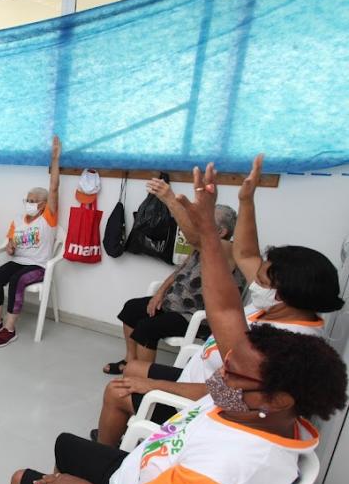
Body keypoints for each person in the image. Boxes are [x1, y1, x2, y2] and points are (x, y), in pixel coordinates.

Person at [0, 164, 348, 484]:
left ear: (275, 397)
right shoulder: (259, 408)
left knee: (21, 483)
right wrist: (211, 229)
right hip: (141, 482)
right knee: (68, 446)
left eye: (234, 374)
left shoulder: (234, 463)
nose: (222, 376)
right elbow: (227, 311)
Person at [94, 154, 344, 445]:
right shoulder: (288, 309)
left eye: (261, 278)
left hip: (204, 406)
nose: (256, 280)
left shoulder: (283, 347)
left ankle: (110, 451)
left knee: (118, 389)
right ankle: (124, 427)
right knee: (132, 367)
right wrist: (247, 200)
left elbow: (224, 397)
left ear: (283, 293)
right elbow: (247, 254)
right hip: (198, 378)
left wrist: (154, 385)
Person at [103, 182, 244, 374]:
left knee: (147, 327)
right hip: (172, 305)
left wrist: (170, 199)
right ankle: (130, 361)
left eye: (206, 222)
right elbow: (180, 270)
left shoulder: (229, 250)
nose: (199, 225)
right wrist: (160, 293)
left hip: (195, 316)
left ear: (221, 232)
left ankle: (144, 377)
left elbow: (194, 237)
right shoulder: (201, 247)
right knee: (132, 308)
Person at [0, 135, 61, 347]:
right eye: (27, 200)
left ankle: (9, 328)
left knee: (17, 280)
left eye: (33, 201)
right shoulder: (17, 220)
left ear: (44, 205)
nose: (29, 203)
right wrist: (10, 246)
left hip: (39, 265)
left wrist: (55, 159)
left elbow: (54, 188)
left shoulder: (48, 218)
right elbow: (10, 246)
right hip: (19, 261)